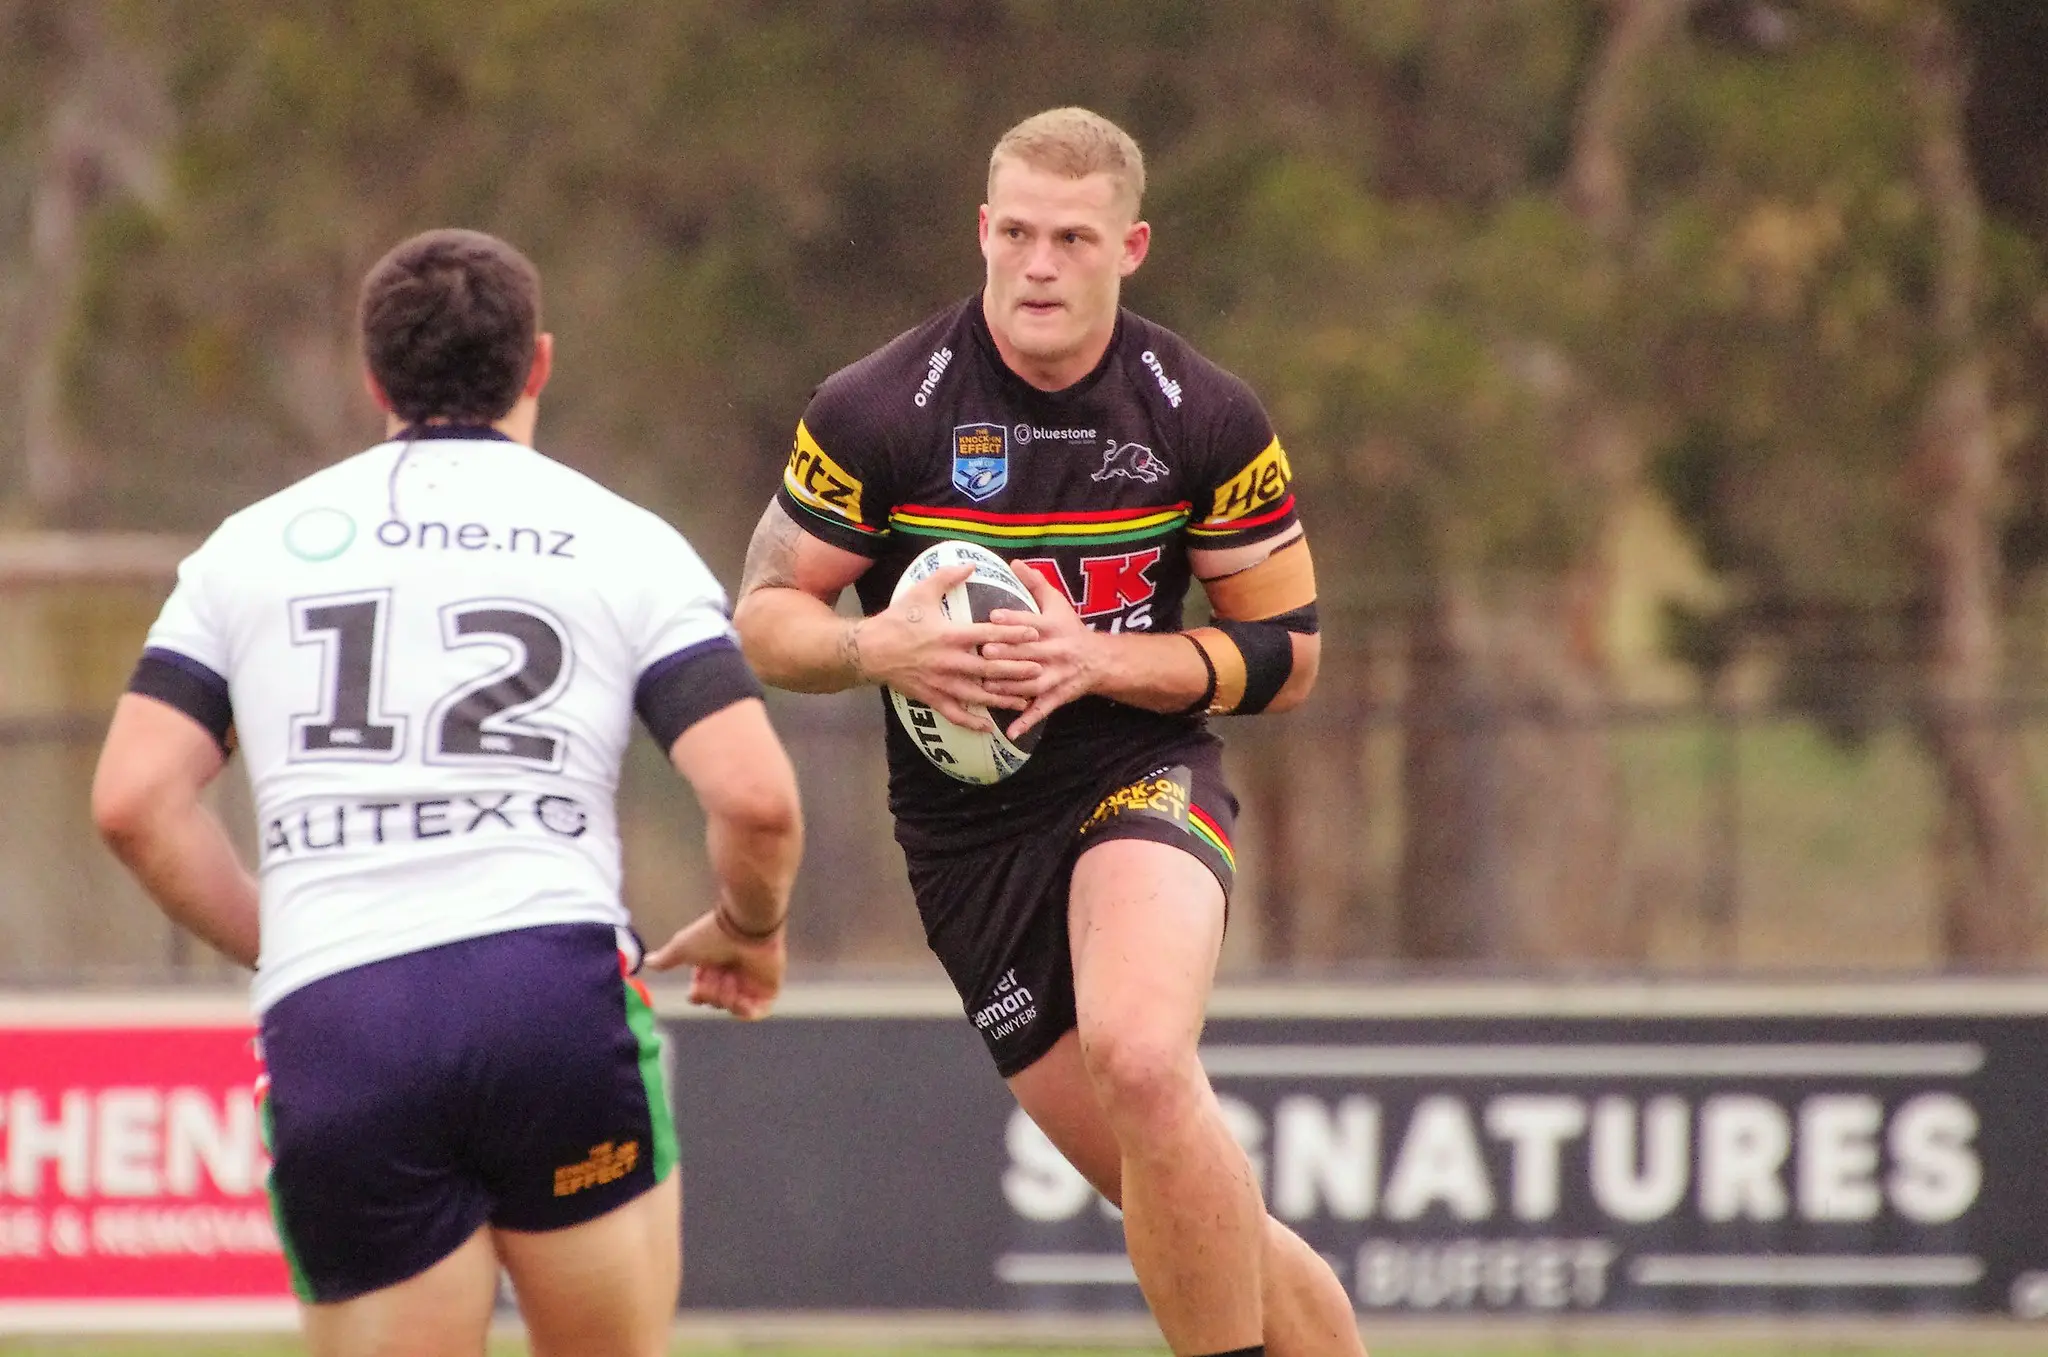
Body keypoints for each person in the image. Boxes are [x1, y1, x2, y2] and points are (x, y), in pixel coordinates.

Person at [91, 228, 802, 1357]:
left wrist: (296, 939)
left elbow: (134, 800)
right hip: (550, 995)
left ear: (372, 378)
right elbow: (756, 800)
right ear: (537, 364)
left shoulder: (246, 551)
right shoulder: (626, 542)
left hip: (343, 1015)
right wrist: (750, 927)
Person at [732, 109, 1364, 1356]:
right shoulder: (879, 408)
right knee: (1183, 1188)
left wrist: (1099, 661)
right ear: (981, 229)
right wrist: (880, 647)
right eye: (1015, 232)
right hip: (967, 843)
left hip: (1137, 773)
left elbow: (1287, 657)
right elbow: (763, 618)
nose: (1036, 265)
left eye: (1071, 239)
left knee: (1141, 1058)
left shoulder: (1200, 414)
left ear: (1129, 247)